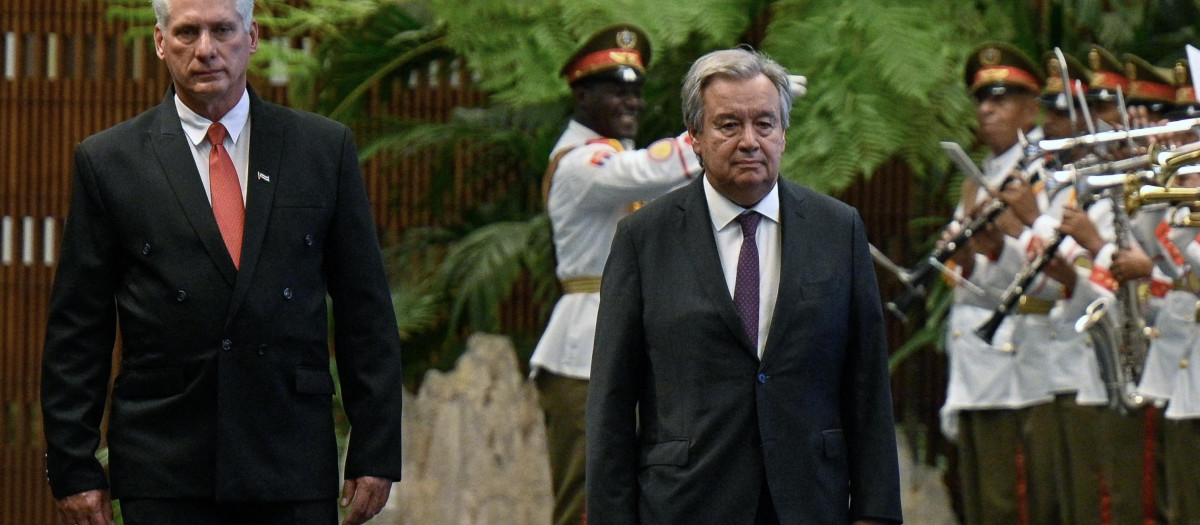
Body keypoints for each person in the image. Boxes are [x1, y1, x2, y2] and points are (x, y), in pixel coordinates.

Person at [39, 0, 404, 524]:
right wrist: (73, 463)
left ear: (251, 36)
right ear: (161, 42)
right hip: (165, 460)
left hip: (288, 453)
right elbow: (79, 327)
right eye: (187, 33)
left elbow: (364, 311)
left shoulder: (322, 149)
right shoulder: (109, 161)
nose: (206, 50)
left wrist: (375, 447)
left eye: (222, 31)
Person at [585, 47, 902, 525]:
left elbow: (868, 383)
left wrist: (876, 512)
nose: (750, 141)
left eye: (765, 124)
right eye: (729, 125)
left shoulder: (838, 230)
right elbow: (612, 398)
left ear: (784, 135)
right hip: (686, 503)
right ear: (694, 137)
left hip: (810, 501)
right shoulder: (644, 239)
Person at [529, 24, 701, 525]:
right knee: (586, 504)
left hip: (635, 344)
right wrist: (723, 122)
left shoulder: (618, 158)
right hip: (584, 352)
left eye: (636, 91)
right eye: (616, 90)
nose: (632, 102)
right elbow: (652, 172)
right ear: (581, 95)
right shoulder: (583, 163)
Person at [940, 41, 1067, 525]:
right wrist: (970, 255)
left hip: (1021, 363)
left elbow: (1059, 273)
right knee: (978, 503)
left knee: (1014, 504)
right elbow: (964, 278)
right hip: (975, 359)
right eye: (981, 99)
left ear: (1032, 105)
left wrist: (1001, 246)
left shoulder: (1046, 171)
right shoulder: (977, 179)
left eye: (1002, 98)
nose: (986, 109)